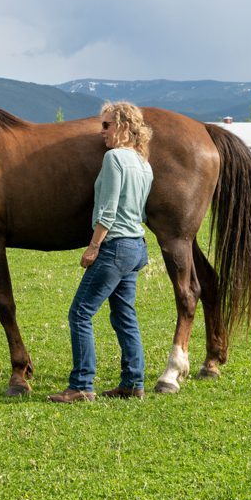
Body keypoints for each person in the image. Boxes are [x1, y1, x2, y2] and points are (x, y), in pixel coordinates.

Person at [48, 101, 154, 403]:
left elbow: (107, 210)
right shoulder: (143, 163)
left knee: (80, 314)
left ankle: (82, 384)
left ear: (122, 126)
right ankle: (133, 383)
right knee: (125, 317)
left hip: (115, 246)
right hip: (137, 245)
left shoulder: (114, 159)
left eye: (106, 125)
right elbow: (141, 211)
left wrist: (94, 246)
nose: (102, 132)